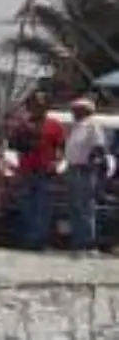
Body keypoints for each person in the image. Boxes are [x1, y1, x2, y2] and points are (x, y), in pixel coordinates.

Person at [7, 90, 67, 251]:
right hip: (26, 171)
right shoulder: (22, 125)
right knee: (26, 207)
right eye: (34, 105)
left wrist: (56, 162)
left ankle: (39, 242)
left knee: (44, 208)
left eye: (41, 105)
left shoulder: (55, 126)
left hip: (45, 172)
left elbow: (61, 148)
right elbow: (13, 146)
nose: (38, 108)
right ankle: (28, 239)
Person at [62, 98, 107, 253]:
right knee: (74, 206)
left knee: (85, 207)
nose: (73, 112)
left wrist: (90, 164)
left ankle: (87, 242)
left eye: (76, 109)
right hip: (72, 168)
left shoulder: (92, 125)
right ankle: (77, 240)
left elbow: (98, 147)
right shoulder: (76, 126)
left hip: (84, 170)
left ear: (85, 110)